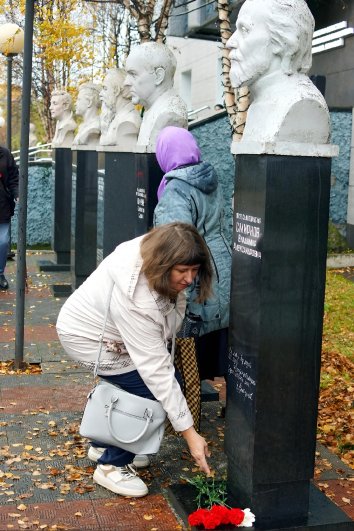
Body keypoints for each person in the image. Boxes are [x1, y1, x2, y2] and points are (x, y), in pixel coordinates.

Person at [56, 222, 213, 497]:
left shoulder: (155, 250)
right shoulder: (137, 297)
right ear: (164, 264)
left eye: (194, 270)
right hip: (88, 337)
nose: (189, 279)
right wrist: (191, 435)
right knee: (149, 389)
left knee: (144, 383)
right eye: (182, 271)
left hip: (107, 332)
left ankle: (105, 442)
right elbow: (156, 372)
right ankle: (112, 466)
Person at [153, 127, 232, 381]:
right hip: (221, 265)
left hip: (196, 273)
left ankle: (183, 409)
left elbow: (177, 245)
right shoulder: (210, 178)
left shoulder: (176, 189)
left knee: (185, 350)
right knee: (219, 341)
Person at [226, 0, 330, 144]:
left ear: (284, 40)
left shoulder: (302, 103)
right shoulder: (257, 105)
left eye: (244, 30)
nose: (230, 42)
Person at [124, 42, 188, 152]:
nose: (126, 82)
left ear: (158, 76)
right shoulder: (152, 110)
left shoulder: (169, 114)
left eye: (133, 74)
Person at [99, 68, 141, 149]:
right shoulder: (116, 118)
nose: (100, 94)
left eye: (105, 88)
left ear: (117, 90)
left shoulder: (130, 120)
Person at [0, 145, 19, 290]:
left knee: (3, 242)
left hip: (2, 207)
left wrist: (17, 193)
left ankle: (0, 274)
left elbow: (13, 177)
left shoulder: (5, 154)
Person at [73, 82, 101, 147]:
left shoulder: (95, 126)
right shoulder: (82, 127)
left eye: (79, 99)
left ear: (89, 102)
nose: (75, 103)